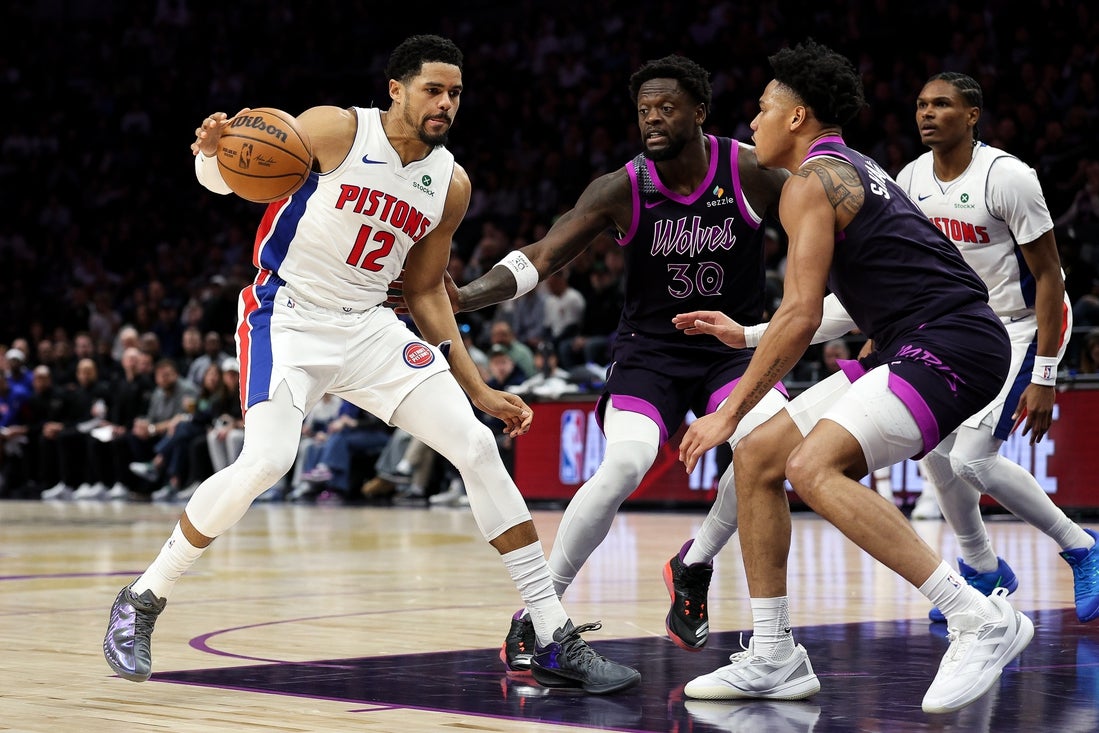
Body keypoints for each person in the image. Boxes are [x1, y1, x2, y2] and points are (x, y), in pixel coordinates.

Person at [101, 34, 639, 696]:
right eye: (433, 90)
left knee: (475, 446)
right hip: (288, 315)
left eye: (455, 93)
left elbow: (425, 291)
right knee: (268, 459)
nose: (446, 103)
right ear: (395, 90)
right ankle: (144, 596)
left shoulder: (451, 184)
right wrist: (212, 155)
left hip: (368, 326)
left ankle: (551, 634)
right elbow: (239, 175)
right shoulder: (336, 130)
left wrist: (477, 388)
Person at [674, 39, 1031, 714]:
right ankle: (774, 654)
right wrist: (745, 335)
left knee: (810, 467)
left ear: (796, 116)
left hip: (951, 340)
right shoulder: (854, 168)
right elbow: (843, 302)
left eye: (762, 108)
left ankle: (978, 617)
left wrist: (727, 409)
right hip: (915, 339)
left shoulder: (810, 183)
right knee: (757, 456)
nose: (752, 121)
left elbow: (801, 314)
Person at [435, 54, 788, 670]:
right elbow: (543, 255)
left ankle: (695, 562)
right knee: (625, 463)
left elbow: (823, 223)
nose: (652, 118)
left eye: (667, 107)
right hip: (649, 355)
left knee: (768, 450)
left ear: (700, 113)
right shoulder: (622, 187)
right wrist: (465, 296)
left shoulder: (752, 172)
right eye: (644, 109)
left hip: (731, 350)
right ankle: (539, 613)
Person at [893, 72, 1098, 623]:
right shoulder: (910, 178)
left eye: (942, 104)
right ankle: (983, 569)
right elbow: (911, 266)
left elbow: (1050, 277)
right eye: (921, 104)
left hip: (1024, 324)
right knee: (936, 453)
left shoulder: (1007, 177)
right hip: (961, 325)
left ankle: (1082, 546)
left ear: (972, 114)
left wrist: (1045, 375)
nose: (927, 113)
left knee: (972, 459)